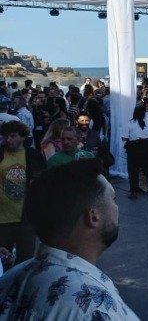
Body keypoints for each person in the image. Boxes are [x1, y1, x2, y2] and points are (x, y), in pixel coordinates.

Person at [0, 159, 139, 319]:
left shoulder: (10, 279)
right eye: (113, 199)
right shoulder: (94, 307)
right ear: (93, 217)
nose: (117, 207)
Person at [0, 120, 45, 265]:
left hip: (26, 220)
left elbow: (43, 183)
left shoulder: (33, 156)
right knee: (2, 263)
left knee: (25, 263)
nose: (8, 140)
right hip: (2, 219)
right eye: (5, 136)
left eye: (13, 136)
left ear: (23, 136)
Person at [122, 103, 148, 200]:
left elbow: (124, 138)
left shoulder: (130, 123)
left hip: (134, 147)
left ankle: (133, 191)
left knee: (133, 170)